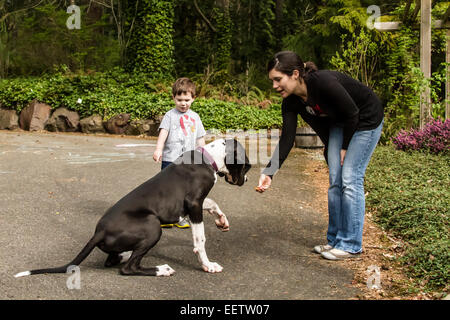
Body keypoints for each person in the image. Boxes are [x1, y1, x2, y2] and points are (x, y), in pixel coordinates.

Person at [256, 51, 384, 260]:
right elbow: (288, 138)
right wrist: (269, 172)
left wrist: (344, 147)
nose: (274, 86)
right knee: (335, 180)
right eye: (272, 81)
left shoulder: (323, 83)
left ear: (295, 74)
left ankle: (351, 245)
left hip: (365, 119)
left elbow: (353, 113)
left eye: (278, 80)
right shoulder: (291, 101)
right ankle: (335, 241)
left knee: (350, 177)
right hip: (341, 123)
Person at [153, 77, 206, 228]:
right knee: (167, 188)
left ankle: (179, 216)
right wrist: (158, 149)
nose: (183, 103)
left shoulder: (195, 117)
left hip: (188, 161)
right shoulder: (170, 115)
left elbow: (200, 138)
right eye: (179, 99)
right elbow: (163, 132)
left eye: (187, 100)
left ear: (193, 99)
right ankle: (164, 217)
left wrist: (203, 155)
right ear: (173, 98)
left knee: (185, 190)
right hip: (170, 158)